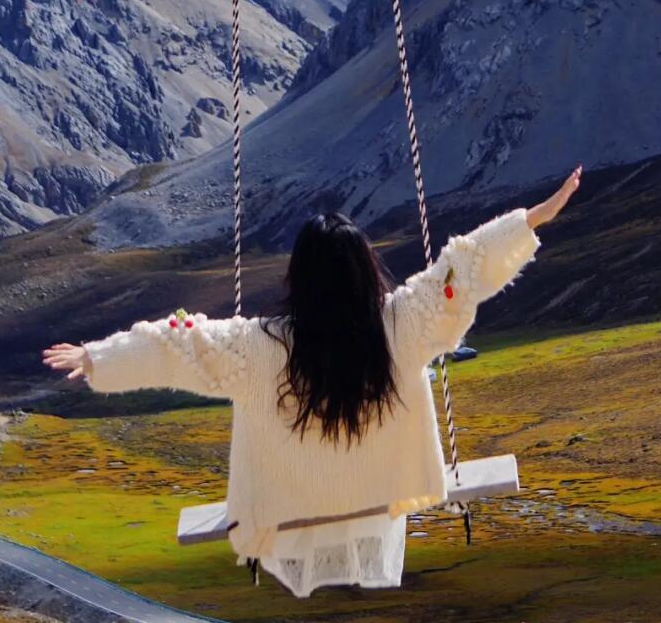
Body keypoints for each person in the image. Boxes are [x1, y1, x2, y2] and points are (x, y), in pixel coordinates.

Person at [44, 166, 582, 598]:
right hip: (381, 494)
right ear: (364, 270)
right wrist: (529, 221)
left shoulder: (257, 346)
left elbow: (178, 343)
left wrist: (97, 358)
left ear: (298, 278)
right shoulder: (404, 322)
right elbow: (459, 270)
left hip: (288, 512)